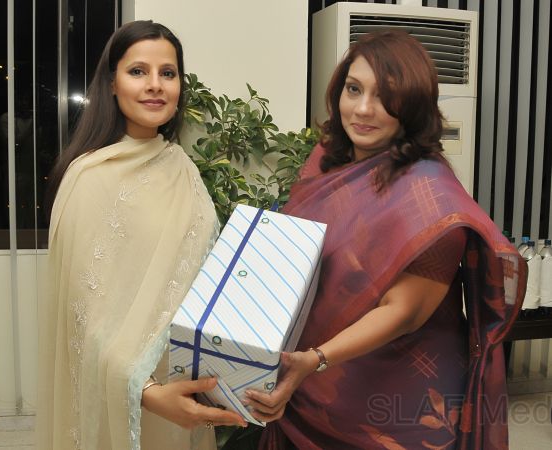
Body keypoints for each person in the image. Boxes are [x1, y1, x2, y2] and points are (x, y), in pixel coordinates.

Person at [248, 30, 527, 449]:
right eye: (354, 89)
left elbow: (404, 312)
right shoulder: (326, 162)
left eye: (385, 96)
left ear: (412, 105)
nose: (362, 109)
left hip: (397, 402)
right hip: (311, 387)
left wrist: (315, 359)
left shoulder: (430, 195)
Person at [36, 20, 246, 450]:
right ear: (111, 84)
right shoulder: (90, 177)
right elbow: (84, 316)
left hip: (182, 381)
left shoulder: (182, 168)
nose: (155, 85)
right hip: (129, 393)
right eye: (138, 71)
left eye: (167, 73)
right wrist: (146, 392)